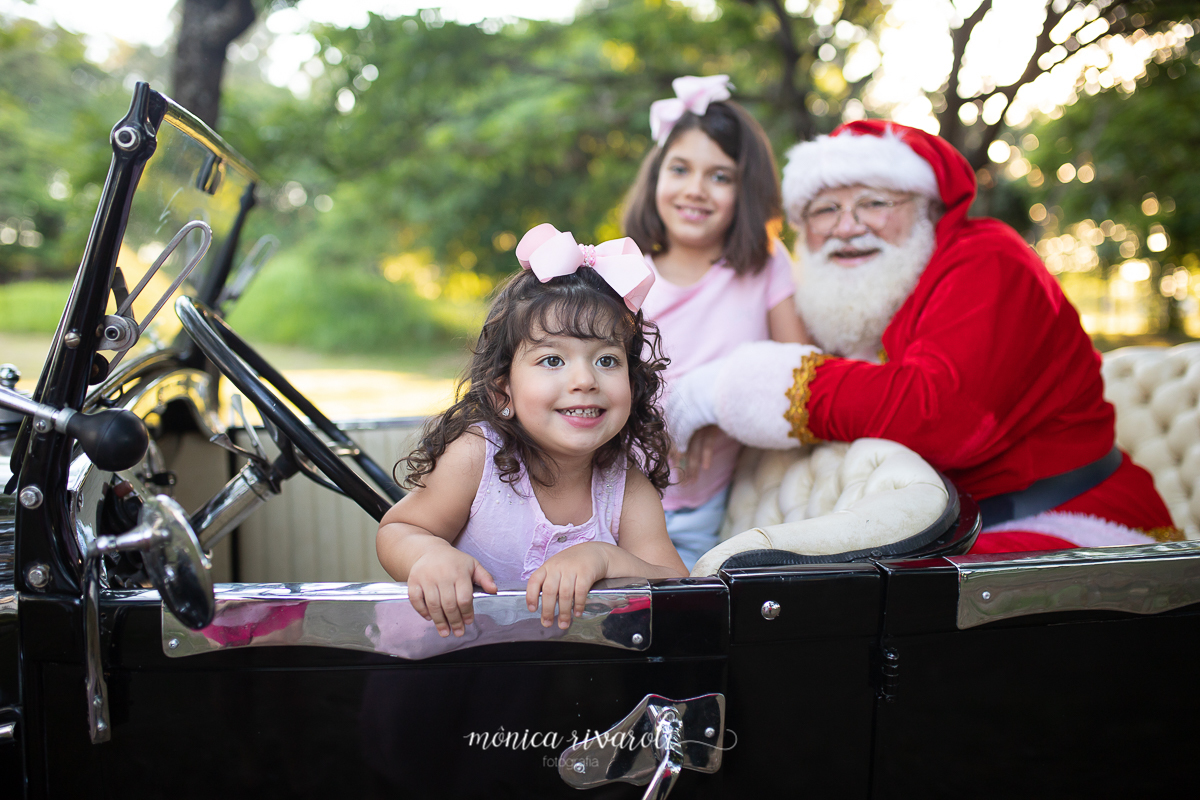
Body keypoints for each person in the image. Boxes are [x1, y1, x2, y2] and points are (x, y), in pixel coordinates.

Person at [666, 119, 1178, 554]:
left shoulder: (989, 258)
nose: (846, 226)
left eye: (874, 202)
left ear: (927, 209)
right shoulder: (849, 301)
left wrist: (722, 387)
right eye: (825, 210)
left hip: (1063, 518)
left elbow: (939, 415)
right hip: (947, 528)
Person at [377, 223, 688, 638]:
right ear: (503, 390)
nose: (585, 380)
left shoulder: (625, 488)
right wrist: (429, 555)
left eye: (607, 361)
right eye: (553, 361)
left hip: (558, 678)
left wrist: (605, 559)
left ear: (634, 382)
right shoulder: (476, 457)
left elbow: (678, 588)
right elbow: (400, 529)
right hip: (443, 661)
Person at [622, 74, 810, 569]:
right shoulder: (621, 272)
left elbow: (806, 373)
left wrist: (712, 399)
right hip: (606, 497)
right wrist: (672, 415)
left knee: (680, 621)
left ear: (744, 190)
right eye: (680, 169)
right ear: (656, 175)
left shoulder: (765, 265)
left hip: (698, 510)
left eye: (720, 176)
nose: (695, 190)